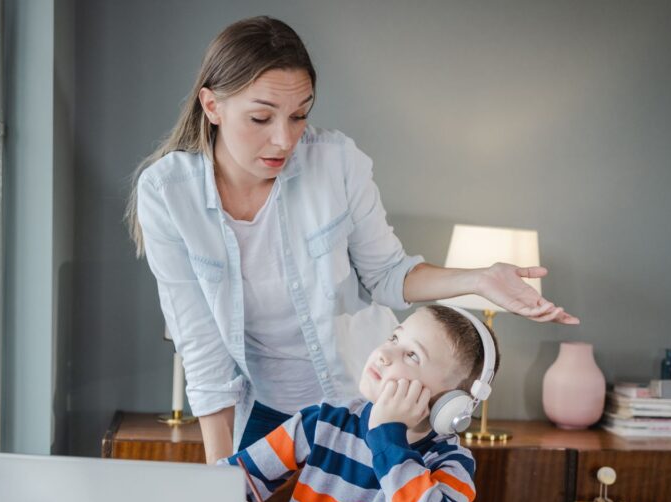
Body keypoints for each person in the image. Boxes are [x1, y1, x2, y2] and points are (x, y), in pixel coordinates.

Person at [127, 16, 578, 464]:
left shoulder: (336, 162)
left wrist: (478, 280)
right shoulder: (167, 193)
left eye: (299, 115)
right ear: (212, 106)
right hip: (264, 413)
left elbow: (387, 274)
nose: (283, 139)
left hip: (364, 405)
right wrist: (221, 476)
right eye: (261, 117)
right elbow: (201, 344)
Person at [221, 305, 499, 502]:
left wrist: (387, 435)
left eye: (412, 355)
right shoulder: (323, 423)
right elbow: (220, 483)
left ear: (449, 404)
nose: (384, 354)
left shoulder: (451, 463)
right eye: (394, 338)